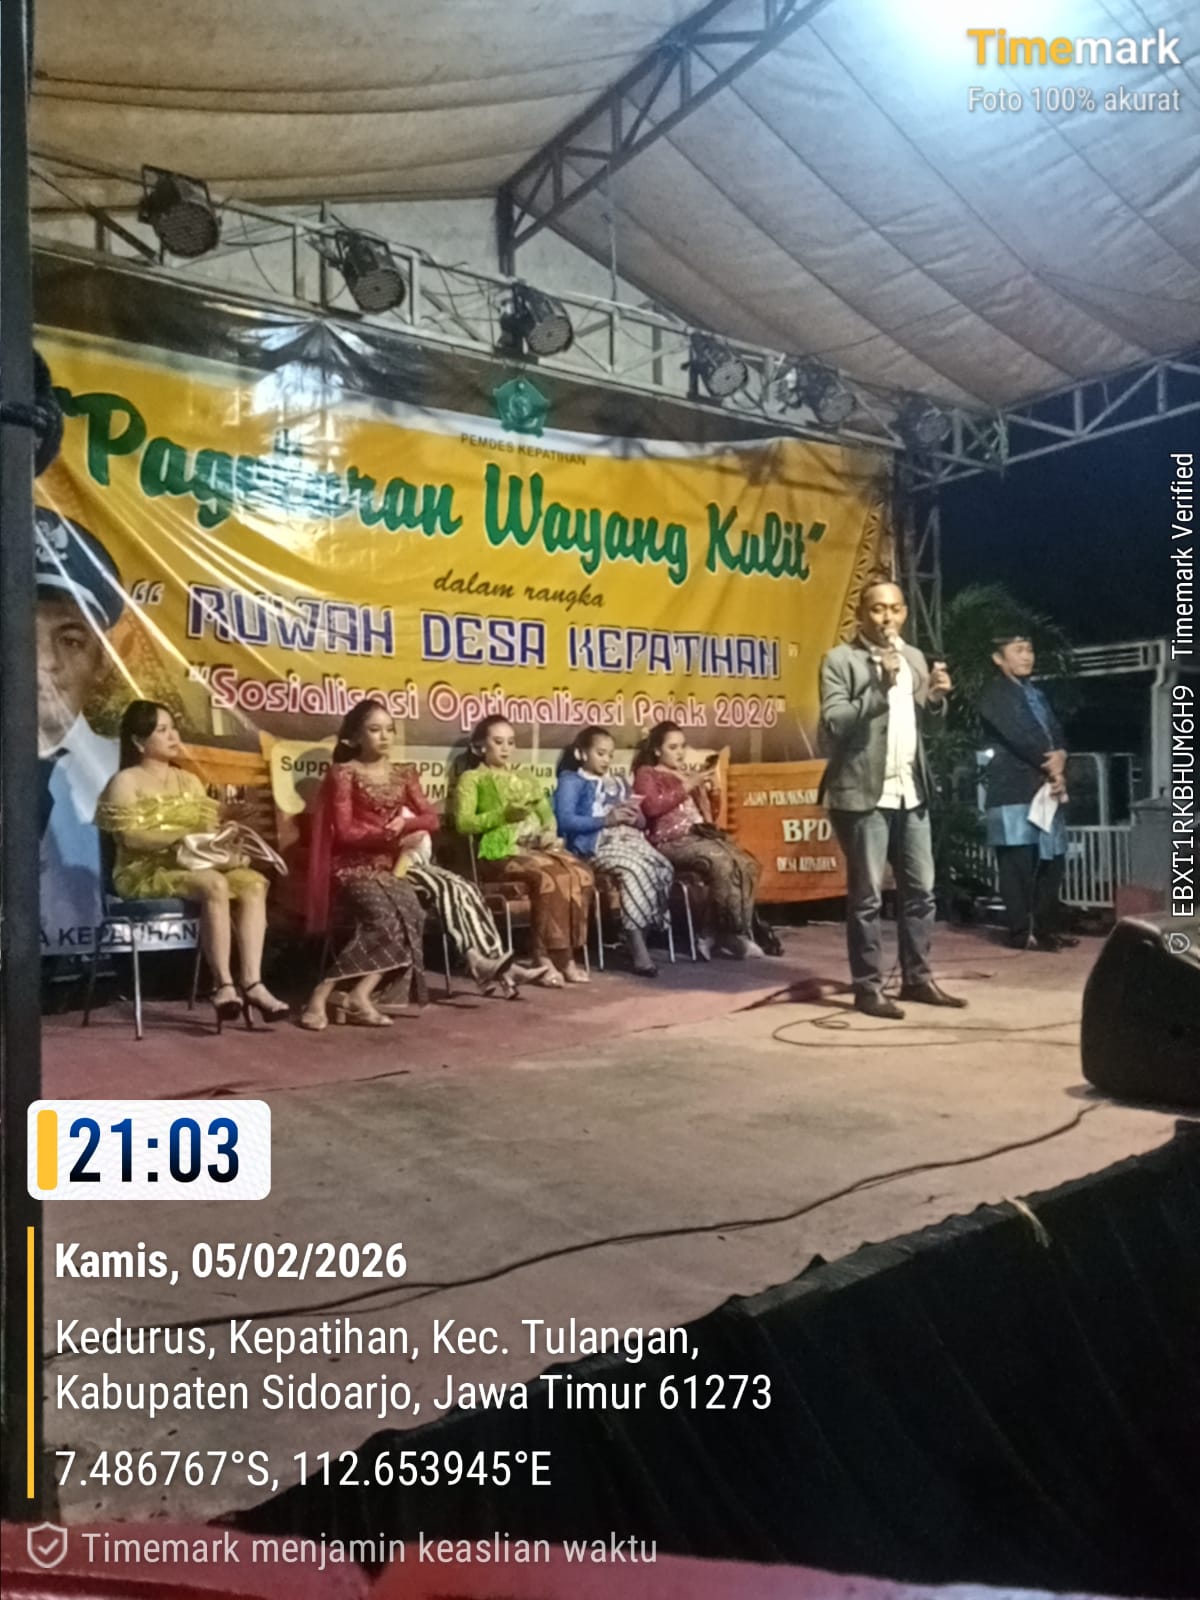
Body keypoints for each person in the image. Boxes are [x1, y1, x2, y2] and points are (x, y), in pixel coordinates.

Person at [818, 577, 965, 1019]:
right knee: (867, 897)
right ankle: (867, 989)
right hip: (864, 793)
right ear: (861, 614)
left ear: (905, 613)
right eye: (878, 608)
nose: (888, 617)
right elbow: (835, 722)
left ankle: (917, 979)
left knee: (921, 892)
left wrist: (935, 699)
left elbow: (928, 728)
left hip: (910, 791)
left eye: (896, 608)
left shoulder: (914, 658)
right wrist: (879, 687)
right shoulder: (840, 660)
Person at [96, 701, 289, 1026]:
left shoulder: (189, 781)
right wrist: (180, 837)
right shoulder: (125, 782)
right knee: (214, 884)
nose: (173, 736)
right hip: (145, 871)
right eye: (162, 730)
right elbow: (129, 838)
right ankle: (223, 986)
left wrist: (227, 830)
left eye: (173, 728)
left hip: (193, 865)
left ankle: (253, 983)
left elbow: (206, 835)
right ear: (139, 741)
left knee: (254, 883)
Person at [302, 701, 440, 1029]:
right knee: (382, 918)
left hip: (387, 868)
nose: (385, 736)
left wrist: (406, 825)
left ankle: (359, 995)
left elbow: (432, 818)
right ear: (354, 737)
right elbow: (345, 831)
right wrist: (387, 834)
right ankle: (321, 993)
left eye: (389, 729)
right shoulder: (344, 773)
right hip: (351, 867)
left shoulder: (404, 773)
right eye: (375, 730)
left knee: (413, 914)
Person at [35, 506, 122, 954]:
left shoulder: (123, 769)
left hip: (100, 971)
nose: (42, 663)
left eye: (70, 640)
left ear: (103, 661)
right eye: (14, 633)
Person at [452, 716, 592, 986]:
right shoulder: (472, 779)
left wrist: (548, 832)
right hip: (497, 851)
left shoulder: (525, 777)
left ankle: (566, 956)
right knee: (548, 876)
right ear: (480, 747)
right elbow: (463, 823)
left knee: (581, 873)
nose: (505, 748)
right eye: (498, 742)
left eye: (510, 742)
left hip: (533, 846)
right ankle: (542, 957)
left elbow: (547, 815)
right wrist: (502, 815)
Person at [978, 634, 1078, 953]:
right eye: (1018, 650)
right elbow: (1019, 737)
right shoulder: (994, 694)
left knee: (1052, 861)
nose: (1026, 656)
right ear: (999, 658)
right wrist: (1053, 766)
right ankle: (1021, 931)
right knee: (1017, 862)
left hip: (1045, 787)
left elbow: (1056, 732)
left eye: (1029, 650)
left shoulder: (1037, 694)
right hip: (1013, 789)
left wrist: (1062, 754)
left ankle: (1046, 928)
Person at [631, 722, 762, 960]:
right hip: (669, 842)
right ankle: (726, 935)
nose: (680, 752)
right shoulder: (647, 773)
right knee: (721, 863)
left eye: (682, 746)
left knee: (748, 863)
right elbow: (651, 807)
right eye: (673, 747)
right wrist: (688, 785)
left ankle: (718, 933)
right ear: (658, 750)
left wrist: (712, 792)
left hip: (699, 837)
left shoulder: (687, 776)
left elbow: (707, 817)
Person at [555, 726, 674, 978]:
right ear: (581, 753)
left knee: (663, 866)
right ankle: (637, 946)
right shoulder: (572, 781)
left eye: (610, 755)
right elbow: (565, 821)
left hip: (628, 839)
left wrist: (634, 816)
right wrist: (606, 820)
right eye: (600, 753)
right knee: (635, 870)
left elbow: (642, 821)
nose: (606, 760)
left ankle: (636, 935)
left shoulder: (618, 781)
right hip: (595, 845)